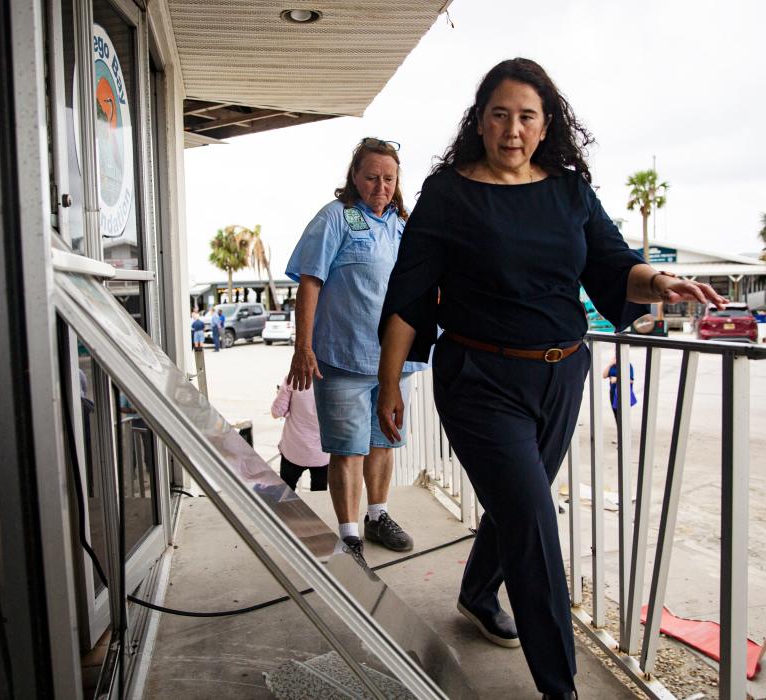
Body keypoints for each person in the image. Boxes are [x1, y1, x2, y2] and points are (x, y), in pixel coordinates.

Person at [374, 58, 725, 699]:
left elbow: (616, 265)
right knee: (535, 520)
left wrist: (663, 283)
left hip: (561, 376)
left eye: (526, 116)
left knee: (518, 505)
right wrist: (389, 383)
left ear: (545, 125)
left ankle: (479, 593)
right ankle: (560, 688)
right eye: (500, 114)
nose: (512, 129)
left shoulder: (568, 191)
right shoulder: (448, 193)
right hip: (480, 379)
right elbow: (409, 296)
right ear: (479, 121)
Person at [285, 137, 427, 566]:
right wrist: (302, 347)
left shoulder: (402, 224)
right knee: (348, 449)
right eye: (371, 177)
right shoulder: (337, 217)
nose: (380, 185)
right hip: (344, 357)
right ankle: (349, 537)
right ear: (355, 175)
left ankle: (377, 516)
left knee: (383, 442)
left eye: (388, 177)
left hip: (393, 362)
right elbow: (310, 281)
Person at [270, 377, 328, 492]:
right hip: (322, 454)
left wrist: (280, 395)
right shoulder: (333, 380)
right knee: (318, 495)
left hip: (293, 451)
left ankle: (287, 510)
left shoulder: (292, 379)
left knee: (285, 494)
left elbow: (277, 412)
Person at [604, 356, 637, 431]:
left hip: (623, 393)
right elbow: (604, 375)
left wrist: (617, 379)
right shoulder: (613, 366)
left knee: (623, 414)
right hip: (613, 393)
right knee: (616, 413)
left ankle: (624, 434)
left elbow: (631, 380)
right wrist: (610, 364)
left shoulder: (628, 365)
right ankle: (620, 434)